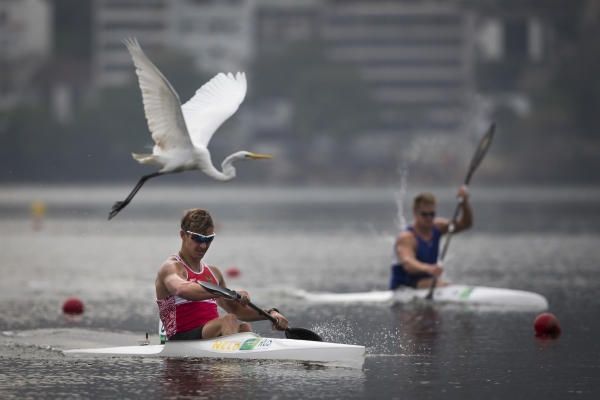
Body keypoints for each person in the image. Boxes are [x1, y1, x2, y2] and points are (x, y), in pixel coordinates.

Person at [156, 208, 289, 340]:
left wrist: (271, 314)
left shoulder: (214, 273)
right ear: (183, 235)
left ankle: (241, 359)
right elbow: (181, 289)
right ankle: (233, 359)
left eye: (208, 239)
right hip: (179, 338)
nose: (203, 245)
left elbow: (237, 310)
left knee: (244, 328)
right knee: (229, 320)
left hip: (208, 335)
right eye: (198, 238)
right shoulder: (171, 267)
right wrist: (228, 293)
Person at [390, 186, 472, 290]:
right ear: (415, 213)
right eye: (425, 214)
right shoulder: (407, 237)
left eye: (432, 214)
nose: (429, 218)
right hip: (403, 286)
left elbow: (466, 224)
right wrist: (429, 269)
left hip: (428, 283)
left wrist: (464, 203)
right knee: (436, 284)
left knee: (439, 284)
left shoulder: (438, 227)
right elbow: (408, 263)